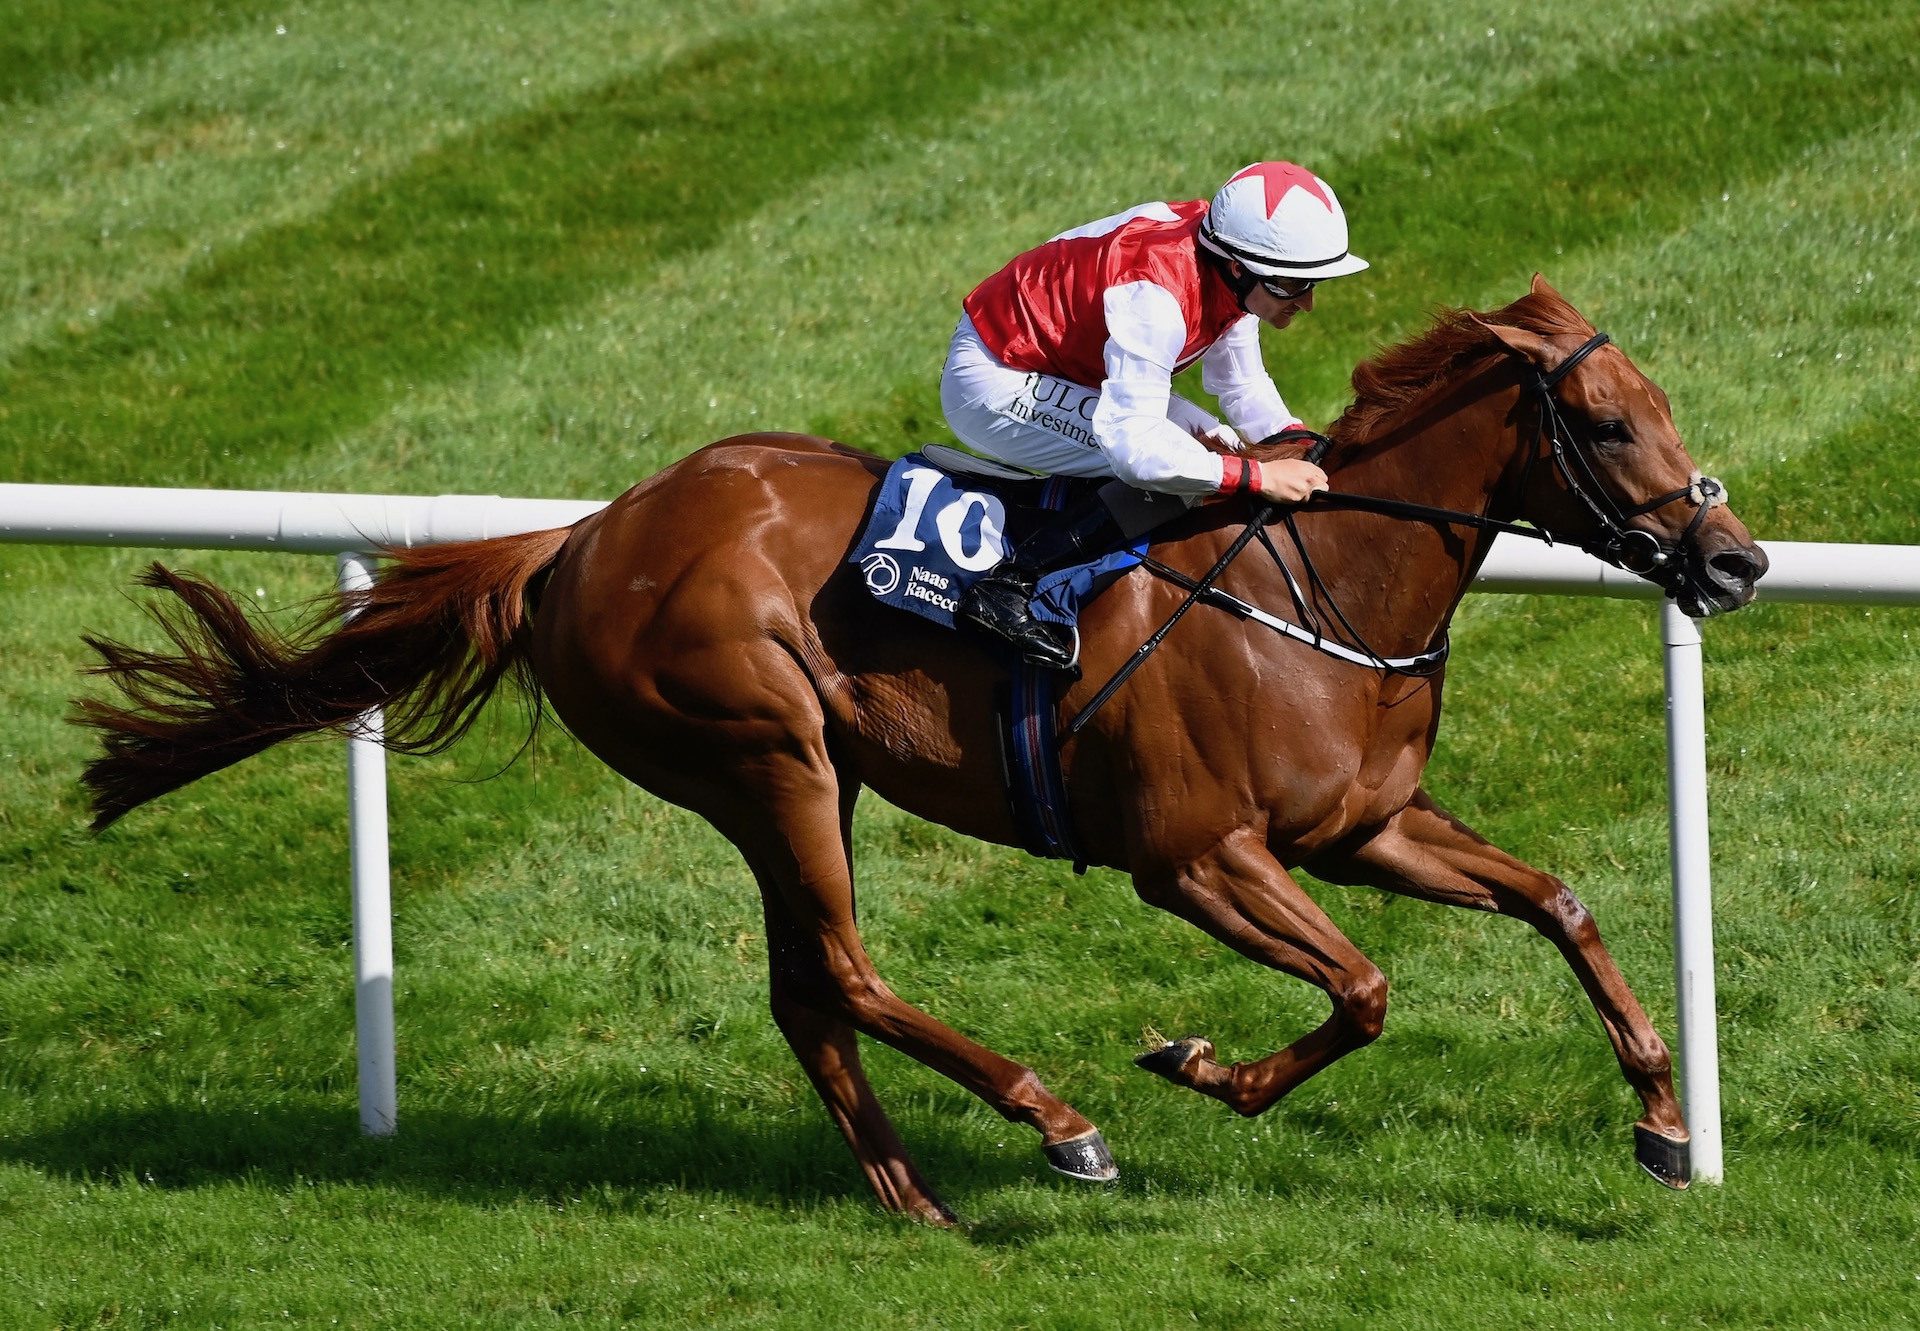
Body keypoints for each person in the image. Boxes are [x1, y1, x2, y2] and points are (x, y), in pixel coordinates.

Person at [941, 161, 1368, 668]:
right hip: (994, 375)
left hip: (1067, 366)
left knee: (1222, 447)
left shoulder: (1226, 260)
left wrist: (1297, 442)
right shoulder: (1155, 296)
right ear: (1239, 267)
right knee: (1189, 472)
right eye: (1295, 285)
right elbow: (1135, 448)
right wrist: (1258, 476)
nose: (1310, 302)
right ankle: (1008, 587)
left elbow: (1241, 383)